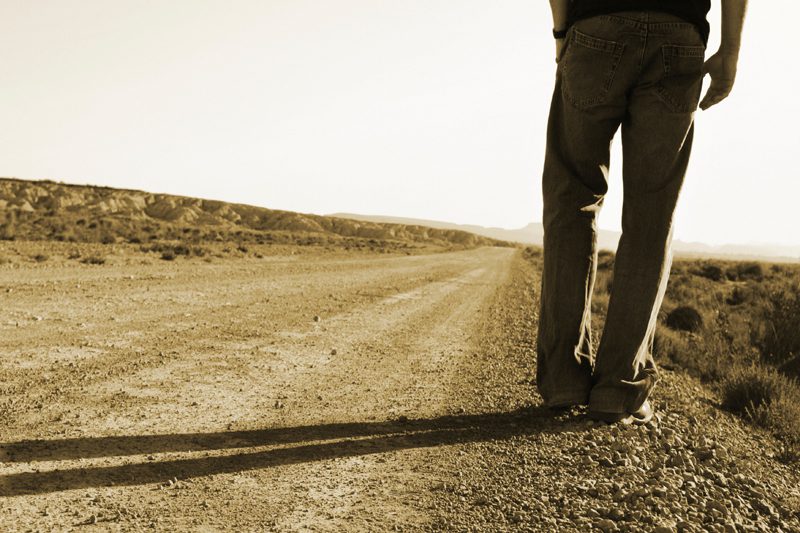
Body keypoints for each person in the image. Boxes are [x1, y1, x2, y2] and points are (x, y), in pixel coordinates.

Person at [537, 0, 747, 424]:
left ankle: (564, 379)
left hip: (595, 29)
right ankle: (618, 387)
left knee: (571, 202)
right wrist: (730, 49)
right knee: (651, 217)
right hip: (678, 36)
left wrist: (562, 34)